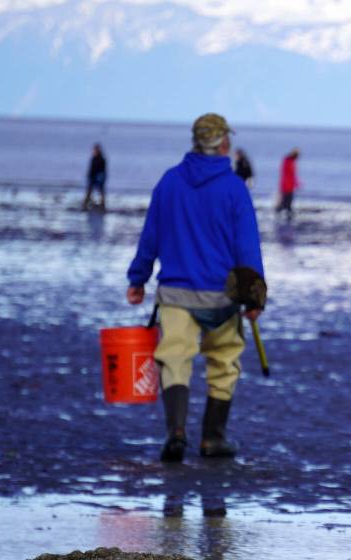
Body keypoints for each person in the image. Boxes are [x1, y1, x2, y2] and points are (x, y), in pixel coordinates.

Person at [126, 113, 266, 462]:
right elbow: (247, 248)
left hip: (176, 295)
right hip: (222, 297)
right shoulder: (235, 189)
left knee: (174, 361)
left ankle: (176, 433)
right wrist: (254, 299)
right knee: (224, 363)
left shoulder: (169, 182)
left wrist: (137, 279)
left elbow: (151, 238)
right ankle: (212, 438)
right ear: (223, 145)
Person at [83, 143, 107, 211]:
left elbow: (103, 170)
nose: (94, 151)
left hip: (99, 177)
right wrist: (89, 176)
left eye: (96, 150)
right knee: (89, 191)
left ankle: (103, 205)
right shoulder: (93, 158)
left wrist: (102, 178)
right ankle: (85, 204)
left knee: (101, 191)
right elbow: (91, 169)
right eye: (94, 150)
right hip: (92, 178)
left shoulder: (102, 159)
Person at [277, 148, 300, 214]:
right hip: (287, 185)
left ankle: (283, 212)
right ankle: (284, 213)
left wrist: (296, 183)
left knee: (286, 201)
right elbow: (291, 174)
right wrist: (296, 183)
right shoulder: (289, 162)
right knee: (287, 201)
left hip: (287, 184)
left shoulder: (288, 161)